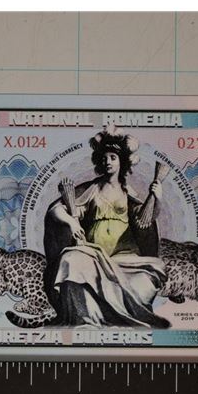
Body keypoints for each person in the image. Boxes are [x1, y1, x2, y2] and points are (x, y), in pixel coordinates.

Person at [43, 126, 170, 328]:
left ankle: (118, 317)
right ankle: (87, 319)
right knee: (69, 259)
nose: (108, 161)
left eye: (113, 157)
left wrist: (158, 198)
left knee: (144, 284)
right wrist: (72, 222)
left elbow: (145, 221)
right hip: (92, 256)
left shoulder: (129, 194)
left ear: (122, 162)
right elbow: (55, 210)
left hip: (126, 259)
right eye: (104, 158)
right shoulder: (92, 190)